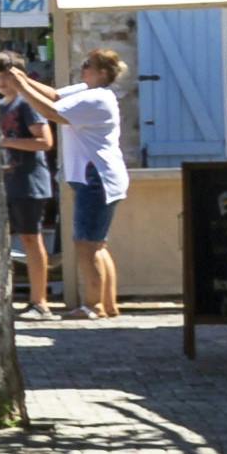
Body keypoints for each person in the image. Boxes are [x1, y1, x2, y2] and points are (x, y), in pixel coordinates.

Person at [53, 49, 137, 317]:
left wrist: (20, 86)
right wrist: (23, 81)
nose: (83, 68)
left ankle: (93, 304)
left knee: (86, 244)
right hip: (100, 176)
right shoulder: (87, 92)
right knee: (97, 243)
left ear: (102, 73)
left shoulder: (96, 98)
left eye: (88, 65)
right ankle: (108, 304)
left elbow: (52, 111)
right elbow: (54, 96)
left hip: (95, 177)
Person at [0, 58, 64, 315]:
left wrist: (5, 142)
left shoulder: (27, 105)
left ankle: (40, 301)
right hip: (6, 181)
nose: (2, 82)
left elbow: (45, 142)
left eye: (7, 76)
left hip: (29, 181)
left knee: (31, 238)